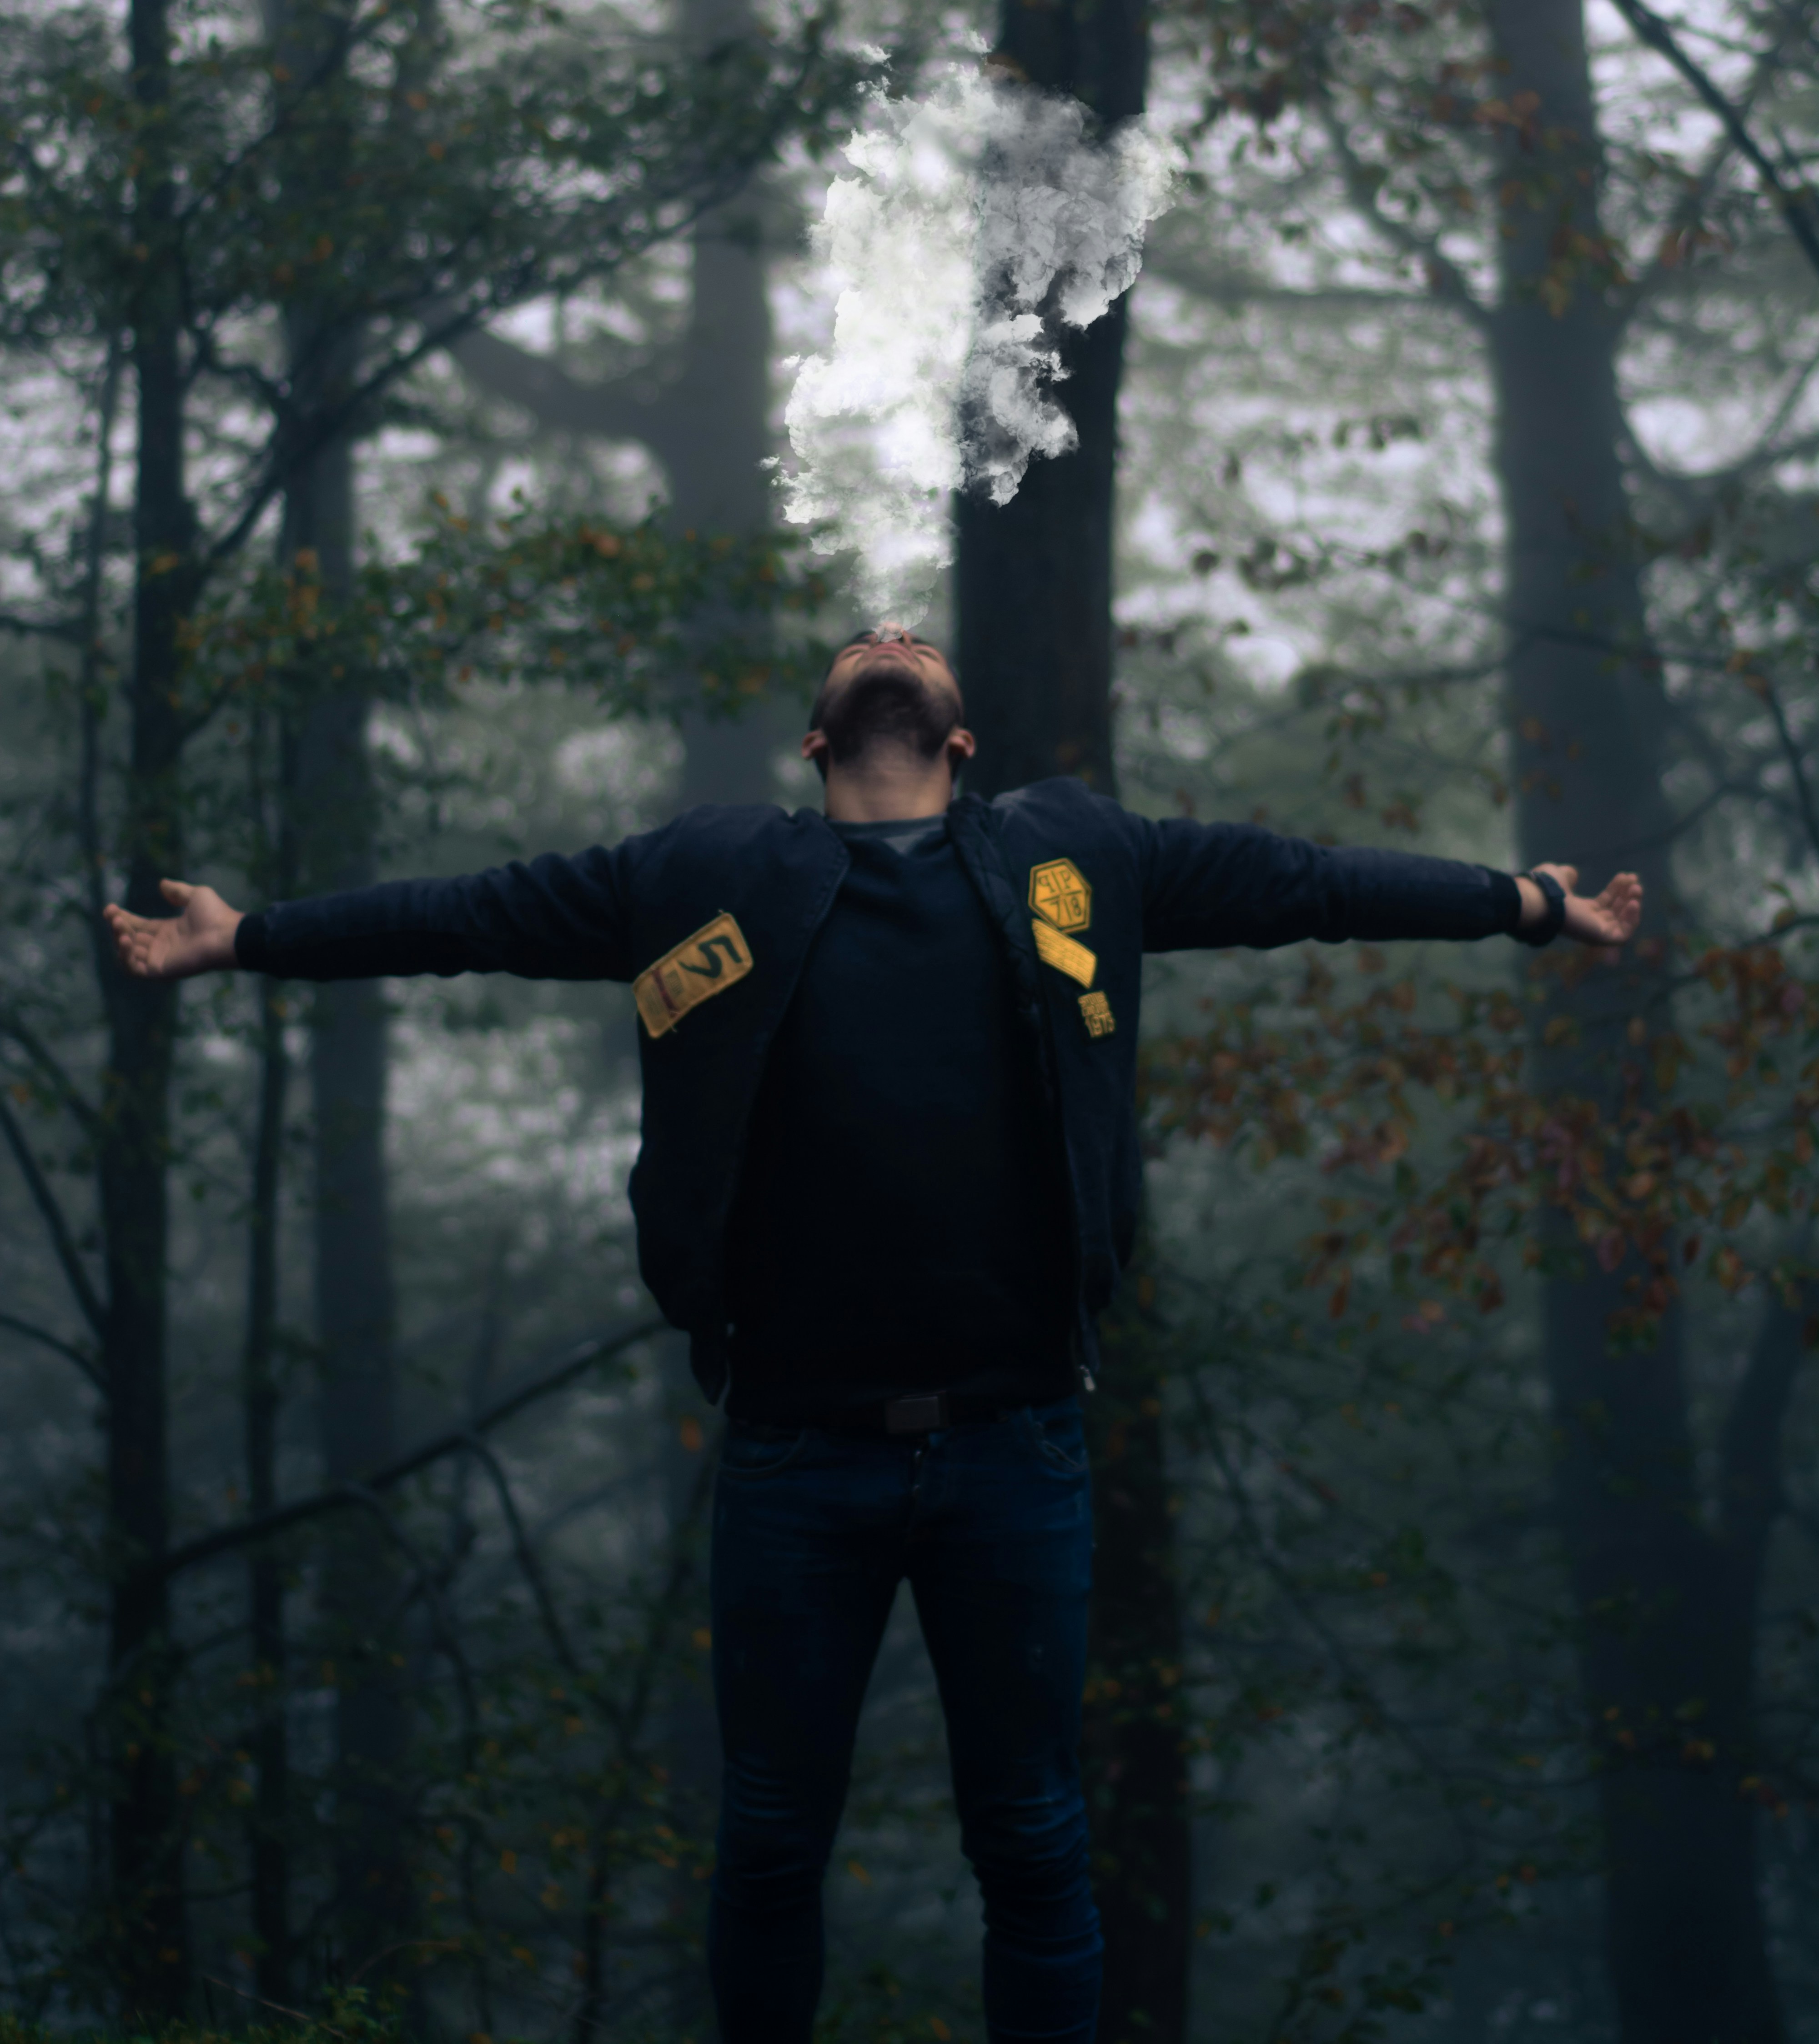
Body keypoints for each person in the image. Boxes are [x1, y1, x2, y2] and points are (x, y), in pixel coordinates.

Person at [106, 626, 1643, 2044]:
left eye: (913, 648)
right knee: (773, 1841)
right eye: (866, 647)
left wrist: (1524, 906)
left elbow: (1304, 883)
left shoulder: (1078, 853)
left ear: (961, 743)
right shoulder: (699, 876)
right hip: (795, 1455)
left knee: (1034, 1839)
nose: (892, 640)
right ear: (815, 742)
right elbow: (473, 915)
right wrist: (250, 939)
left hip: (1014, 1446)